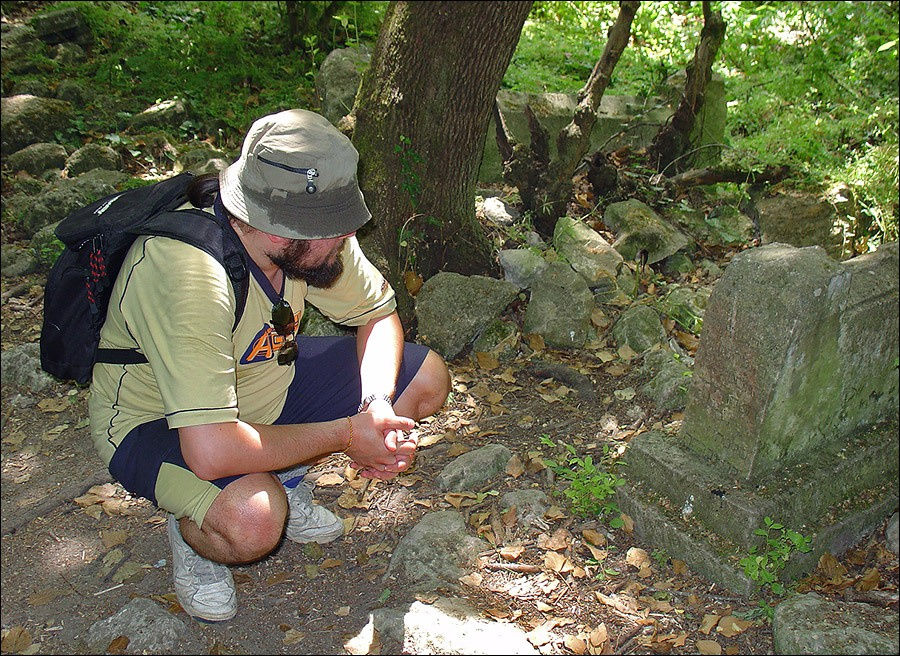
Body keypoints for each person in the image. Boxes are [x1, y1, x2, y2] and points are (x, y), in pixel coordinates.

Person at [88, 108, 451, 622]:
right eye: (331, 229)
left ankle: (284, 475)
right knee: (254, 520)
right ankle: (196, 520)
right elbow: (212, 449)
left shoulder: (313, 244)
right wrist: (348, 434)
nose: (345, 241)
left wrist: (374, 407)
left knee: (425, 378)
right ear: (275, 227)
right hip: (156, 421)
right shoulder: (187, 274)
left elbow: (379, 316)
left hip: (264, 385)